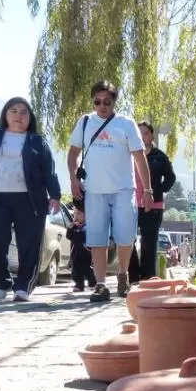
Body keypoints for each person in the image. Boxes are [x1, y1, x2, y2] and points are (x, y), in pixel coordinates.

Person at [0, 97, 61, 302]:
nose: (19, 116)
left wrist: (55, 196)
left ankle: (23, 286)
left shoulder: (37, 141)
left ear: (30, 117)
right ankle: (1, 283)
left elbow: (49, 172)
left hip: (29, 200)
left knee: (29, 245)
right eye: (14, 111)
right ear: (5, 115)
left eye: (24, 112)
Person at [68, 80, 152, 303]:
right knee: (97, 239)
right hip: (95, 191)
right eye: (97, 102)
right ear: (93, 102)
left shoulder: (126, 124)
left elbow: (139, 157)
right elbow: (73, 152)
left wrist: (148, 189)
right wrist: (73, 179)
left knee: (125, 236)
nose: (102, 106)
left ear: (114, 102)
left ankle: (123, 275)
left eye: (107, 101)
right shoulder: (85, 122)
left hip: (123, 189)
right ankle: (101, 285)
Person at [127, 121, 176, 283]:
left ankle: (147, 277)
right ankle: (133, 275)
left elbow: (171, 177)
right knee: (127, 238)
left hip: (153, 206)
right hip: (131, 203)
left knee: (149, 242)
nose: (142, 137)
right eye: (139, 134)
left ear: (152, 136)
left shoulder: (159, 156)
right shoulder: (129, 154)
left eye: (146, 133)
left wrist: (159, 189)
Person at [67, 216, 96, 292]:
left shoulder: (87, 226)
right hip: (75, 251)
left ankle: (92, 281)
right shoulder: (74, 226)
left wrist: (80, 233)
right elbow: (69, 237)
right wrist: (70, 228)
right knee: (76, 269)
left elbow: (88, 238)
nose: (76, 216)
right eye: (75, 214)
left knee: (86, 268)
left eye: (79, 214)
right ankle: (79, 285)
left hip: (86, 252)